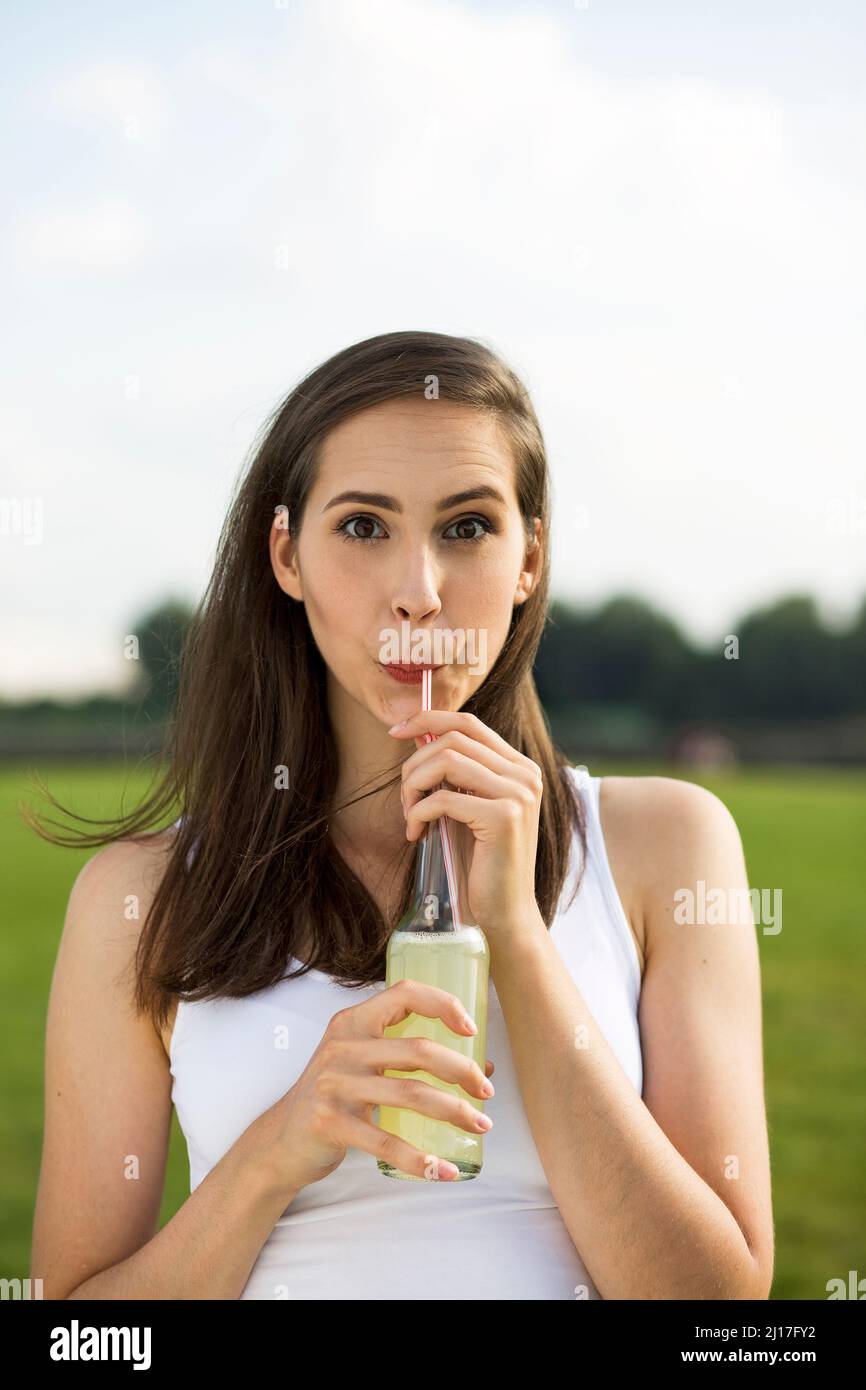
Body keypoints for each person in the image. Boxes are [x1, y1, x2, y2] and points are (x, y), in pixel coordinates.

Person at [29, 330, 774, 1299]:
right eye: (363, 527)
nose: (419, 594)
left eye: (465, 527)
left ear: (528, 560)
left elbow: (715, 1310)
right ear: (286, 555)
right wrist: (275, 1150)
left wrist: (512, 934)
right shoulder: (138, 897)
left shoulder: (664, 845)